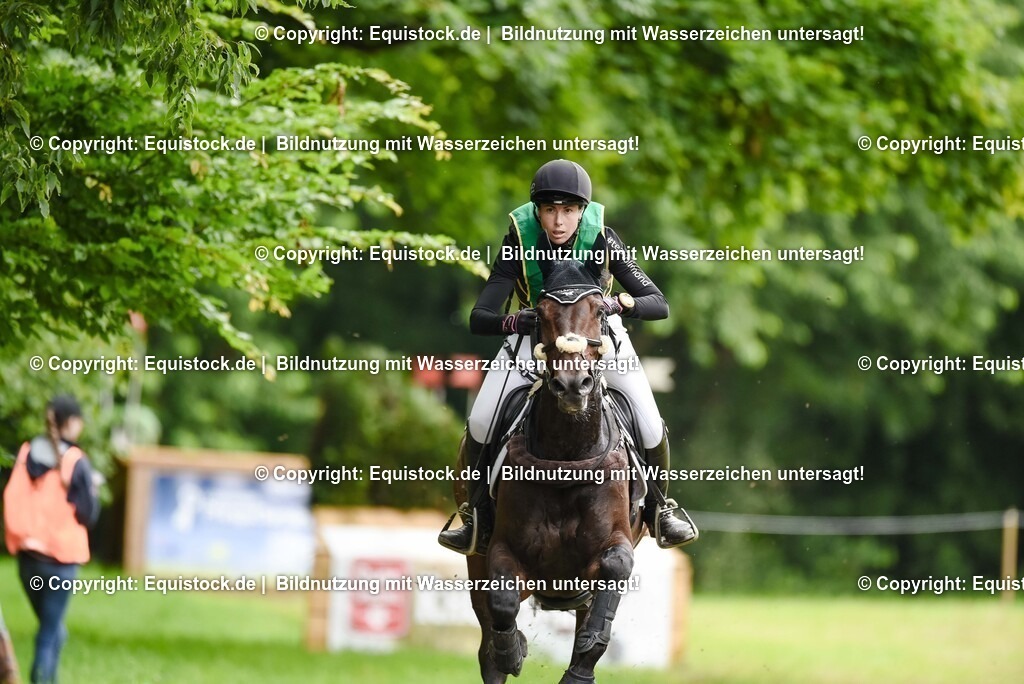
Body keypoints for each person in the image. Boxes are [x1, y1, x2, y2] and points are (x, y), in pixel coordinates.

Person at [439, 159, 698, 555]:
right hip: (534, 344)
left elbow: (658, 303)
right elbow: (481, 317)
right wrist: (516, 321)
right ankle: (475, 516)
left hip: (601, 344)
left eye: (569, 210)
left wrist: (615, 305)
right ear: (538, 211)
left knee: (648, 423)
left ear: (582, 211)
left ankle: (661, 510)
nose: (559, 221)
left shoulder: (603, 239)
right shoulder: (519, 241)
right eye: (549, 210)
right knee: (479, 421)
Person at [4, 395, 100, 684]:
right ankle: (40, 679)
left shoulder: (25, 452)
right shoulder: (76, 461)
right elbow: (88, 515)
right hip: (61, 560)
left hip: (27, 559)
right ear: (71, 423)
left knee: (55, 629)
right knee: (49, 631)